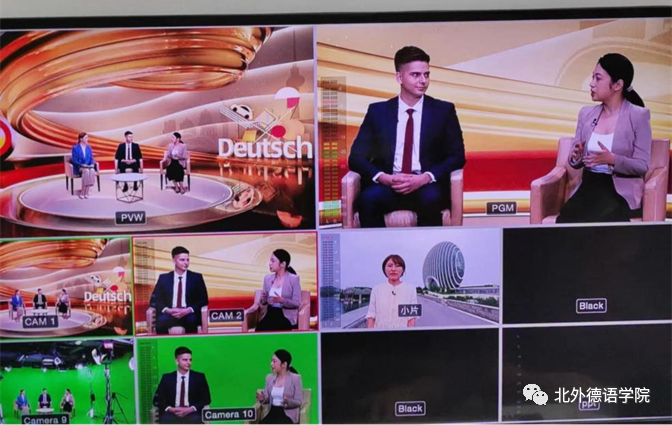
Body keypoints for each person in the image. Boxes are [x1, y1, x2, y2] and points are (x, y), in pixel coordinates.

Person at [348, 46, 466, 227]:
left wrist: (425, 177)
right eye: (416, 75)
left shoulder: (443, 111)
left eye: (426, 75)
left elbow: (457, 156)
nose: (423, 81)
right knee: (369, 200)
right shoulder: (378, 111)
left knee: (431, 199)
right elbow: (356, 158)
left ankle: (427, 246)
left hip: (425, 185)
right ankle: (377, 246)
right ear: (399, 77)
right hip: (388, 185)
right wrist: (385, 178)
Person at [558, 53, 652, 223]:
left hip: (618, 191)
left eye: (598, 78)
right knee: (567, 219)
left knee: (602, 217)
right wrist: (576, 156)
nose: (591, 83)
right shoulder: (586, 114)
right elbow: (575, 161)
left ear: (617, 85)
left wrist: (612, 160)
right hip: (589, 185)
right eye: (592, 77)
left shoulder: (638, 116)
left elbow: (642, 166)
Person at [150, 246, 209, 334]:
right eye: (182, 260)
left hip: (188, 313)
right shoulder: (164, 278)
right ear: (174, 261)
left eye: (187, 260)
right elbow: (154, 300)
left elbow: (204, 300)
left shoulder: (196, 277)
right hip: (170, 313)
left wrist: (188, 310)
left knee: (192, 321)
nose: (186, 263)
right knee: (161, 322)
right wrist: (168, 310)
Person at [154, 346, 211, 425]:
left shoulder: (199, 377)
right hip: (172, 413)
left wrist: (190, 409)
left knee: (196, 419)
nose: (189, 362)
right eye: (185, 360)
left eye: (190, 360)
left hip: (191, 413)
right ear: (177, 361)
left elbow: (206, 399)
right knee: (166, 419)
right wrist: (171, 409)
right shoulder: (167, 378)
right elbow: (157, 400)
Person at [366, 254, 418, 329]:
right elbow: (371, 316)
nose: (393, 269)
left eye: (397, 266)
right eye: (390, 266)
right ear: (384, 269)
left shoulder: (411, 289)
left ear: (403, 269)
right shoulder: (376, 289)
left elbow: (411, 318)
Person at [256, 249, 302, 332]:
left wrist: (282, 301)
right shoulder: (267, 279)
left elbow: (296, 303)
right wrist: (264, 299)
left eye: (273, 261)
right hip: (269, 313)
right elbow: (263, 303)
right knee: (260, 329)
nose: (270, 263)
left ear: (283, 264)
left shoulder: (294, 279)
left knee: (278, 326)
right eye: (270, 260)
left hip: (285, 316)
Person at [256, 349, 303, 425]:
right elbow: (267, 399)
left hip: (287, 414)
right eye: (271, 361)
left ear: (284, 364)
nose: (271, 364)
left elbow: (299, 401)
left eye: (274, 361)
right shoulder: (269, 378)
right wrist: (262, 399)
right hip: (272, 412)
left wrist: (288, 402)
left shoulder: (295, 378)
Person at [71, 132, 96, 199]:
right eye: (86, 138)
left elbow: (91, 158)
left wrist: (92, 163)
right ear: (81, 139)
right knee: (86, 171)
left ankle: (87, 190)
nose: (88, 139)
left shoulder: (88, 147)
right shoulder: (75, 148)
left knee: (92, 170)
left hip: (88, 166)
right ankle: (83, 191)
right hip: (80, 167)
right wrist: (81, 164)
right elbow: (74, 160)